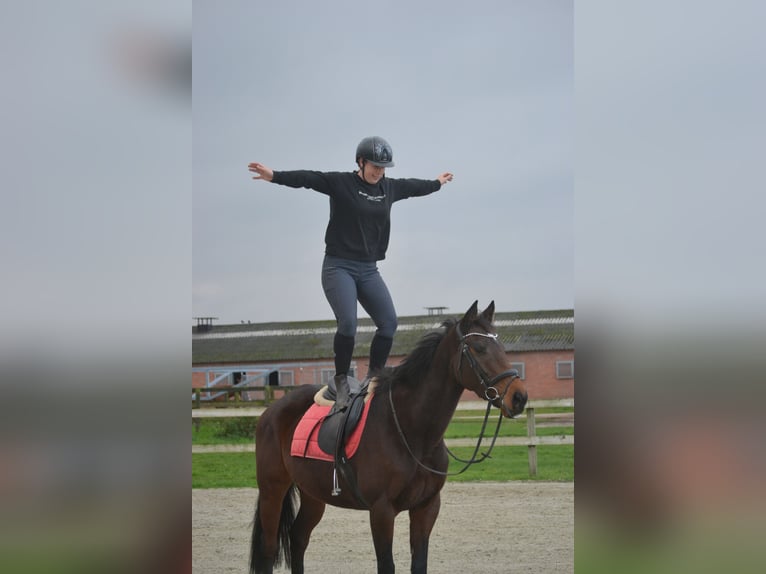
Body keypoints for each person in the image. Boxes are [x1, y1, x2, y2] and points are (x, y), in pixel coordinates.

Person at [248, 136, 453, 409]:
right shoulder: (341, 183)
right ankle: (342, 379)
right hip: (338, 266)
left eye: (383, 167)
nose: (379, 171)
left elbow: (416, 187)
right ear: (360, 161)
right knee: (348, 324)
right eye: (374, 166)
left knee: (389, 323)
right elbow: (308, 178)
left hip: (368, 269)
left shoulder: (389, 188)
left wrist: (437, 183)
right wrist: (273, 176)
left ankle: (373, 376)